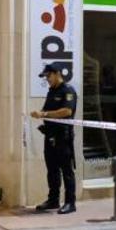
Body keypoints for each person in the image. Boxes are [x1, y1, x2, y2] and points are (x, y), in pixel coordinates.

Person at [31, 63, 79, 214]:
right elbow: (47, 109)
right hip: (50, 136)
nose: (47, 79)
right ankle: (53, 200)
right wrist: (40, 113)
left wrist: (44, 114)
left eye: (48, 76)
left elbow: (66, 111)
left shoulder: (68, 91)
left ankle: (70, 202)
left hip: (63, 137)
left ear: (57, 73)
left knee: (67, 170)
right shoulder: (51, 91)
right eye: (46, 77)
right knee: (52, 170)